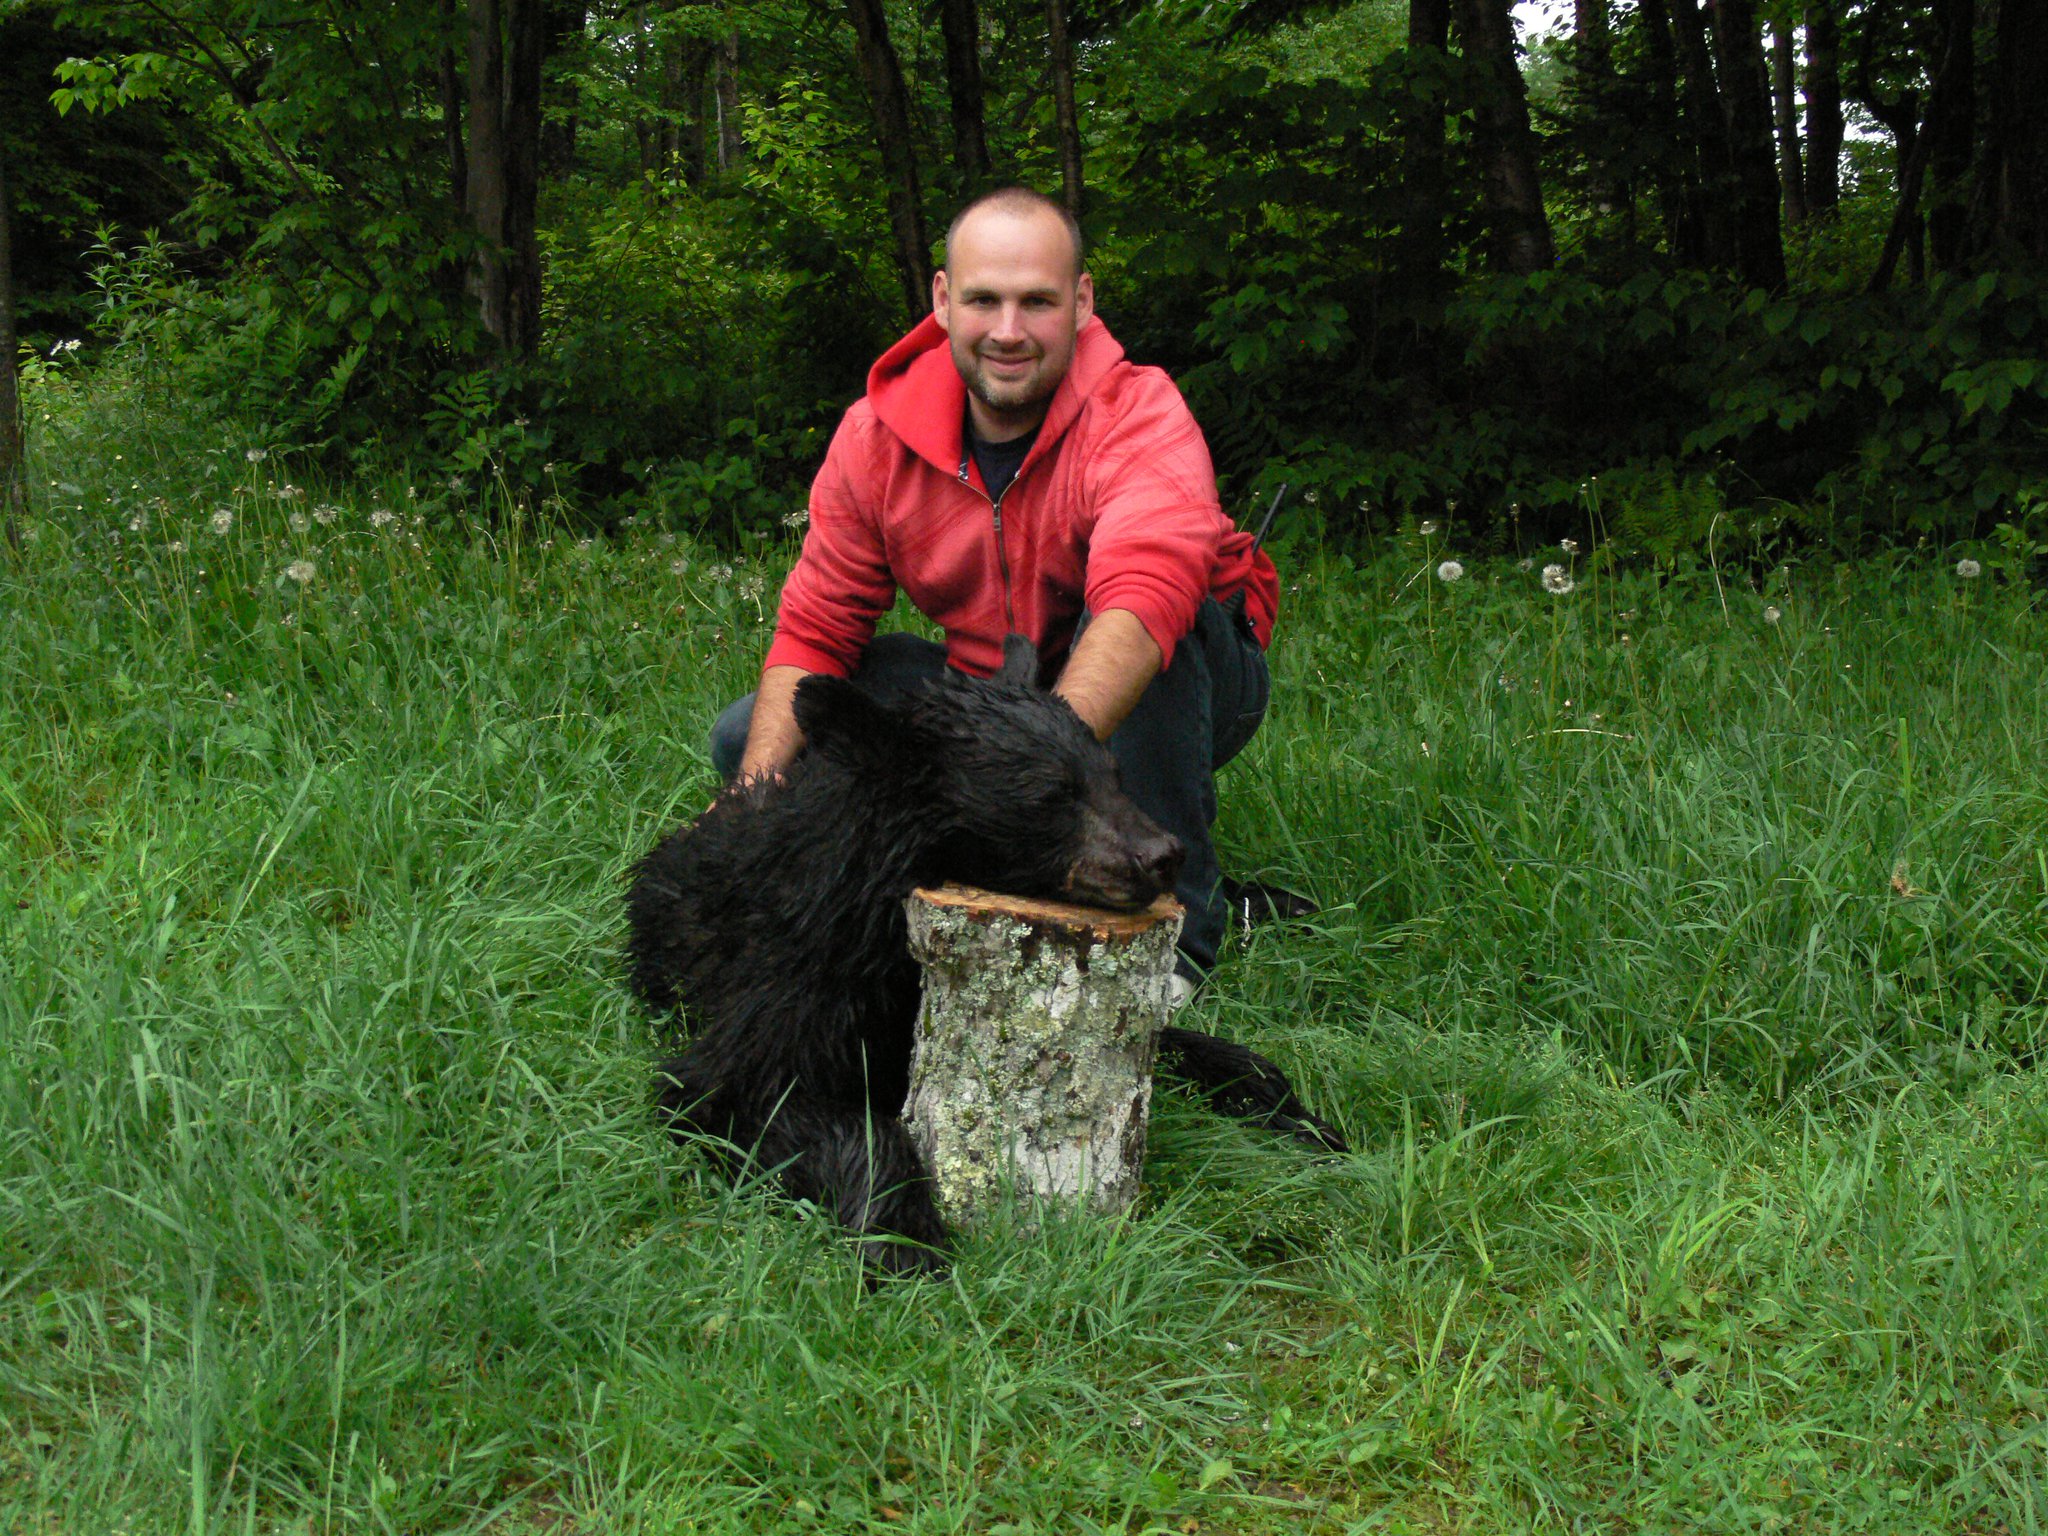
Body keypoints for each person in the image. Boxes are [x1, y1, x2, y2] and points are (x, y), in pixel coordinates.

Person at [710, 185, 1282, 989]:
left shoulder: (1139, 411)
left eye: (1037, 302)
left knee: (1156, 632)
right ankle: (904, 890)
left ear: (1081, 302)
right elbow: (817, 626)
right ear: (943, 301)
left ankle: (1179, 933)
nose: (1008, 331)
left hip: (1185, 673)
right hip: (1003, 684)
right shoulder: (873, 437)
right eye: (984, 300)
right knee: (755, 735)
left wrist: (1019, 780)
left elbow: (1142, 598)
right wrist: (752, 797)